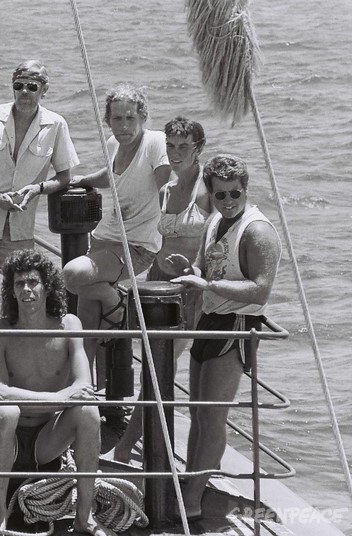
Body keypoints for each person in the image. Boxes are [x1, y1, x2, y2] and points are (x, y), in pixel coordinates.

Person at [0, 250, 114, 536]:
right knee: (8, 411)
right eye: (19, 283)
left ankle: (84, 518)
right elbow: (0, 394)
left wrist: (64, 399)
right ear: (11, 290)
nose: (26, 289)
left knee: (88, 411)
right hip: (0, 436)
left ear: (47, 287)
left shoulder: (70, 325)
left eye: (33, 282)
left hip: (45, 441)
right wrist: (60, 398)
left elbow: (84, 386)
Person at [170, 154, 280, 519]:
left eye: (235, 193)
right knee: (197, 413)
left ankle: (193, 502)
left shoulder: (256, 231)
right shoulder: (216, 220)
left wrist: (209, 283)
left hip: (235, 326)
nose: (229, 201)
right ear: (211, 195)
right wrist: (193, 271)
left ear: (246, 189)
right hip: (209, 319)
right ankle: (190, 482)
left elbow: (261, 290)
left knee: (213, 417)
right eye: (221, 195)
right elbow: (205, 263)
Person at [0, 59, 79, 370]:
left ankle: (17, 377)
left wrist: (36, 189)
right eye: (18, 85)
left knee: (21, 305)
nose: (24, 92)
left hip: (19, 228)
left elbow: (64, 176)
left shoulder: (56, 125)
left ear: (44, 90)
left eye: (32, 86)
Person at [112, 117, 210, 463]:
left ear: (199, 148)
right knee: (151, 370)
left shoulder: (207, 191)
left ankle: (126, 448)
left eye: (184, 146)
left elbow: (220, 242)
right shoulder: (166, 189)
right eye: (170, 146)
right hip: (158, 288)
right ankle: (149, 445)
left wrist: (197, 272)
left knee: (157, 372)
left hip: (190, 295)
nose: (176, 153)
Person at [62, 83, 170, 384]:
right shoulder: (112, 143)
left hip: (135, 245)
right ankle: (87, 387)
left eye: (130, 118)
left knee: (72, 275)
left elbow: (167, 186)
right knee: (88, 317)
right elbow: (111, 176)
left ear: (143, 117)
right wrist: (79, 179)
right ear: (108, 120)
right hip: (104, 236)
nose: (124, 126)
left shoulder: (155, 143)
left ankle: (117, 304)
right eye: (117, 118)